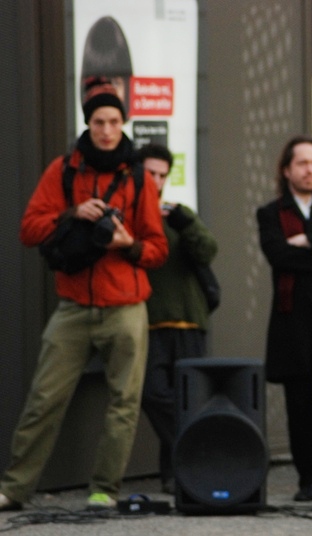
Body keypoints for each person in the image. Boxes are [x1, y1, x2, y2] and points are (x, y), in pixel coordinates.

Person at [0, 77, 167, 512]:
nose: (106, 130)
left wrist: (126, 244)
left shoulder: (139, 177)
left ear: (123, 122)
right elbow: (28, 229)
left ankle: (104, 490)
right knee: (44, 398)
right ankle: (14, 489)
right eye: (98, 122)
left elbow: (157, 249)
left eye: (113, 121)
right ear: (88, 124)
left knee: (123, 404)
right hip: (74, 306)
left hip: (126, 307)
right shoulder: (65, 170)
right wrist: (72, 213)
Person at [137, 143, 218, 495]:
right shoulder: (130, 216)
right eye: (149, 174)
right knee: (153, 394)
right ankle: (196, 454)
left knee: (188, 398)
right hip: (147, 322)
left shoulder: (178, 213)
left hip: (188, 320)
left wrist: (186, 226)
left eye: (162, 175)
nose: (156, 181)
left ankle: (175, 477)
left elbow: (208, 250)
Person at [256, 135, 312, 502]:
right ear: (287, 169)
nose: (309, 170)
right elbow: (278, 256)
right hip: (292, 321)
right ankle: (310, 480)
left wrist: (307, 241)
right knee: (299, 406)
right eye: (302, 163)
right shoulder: (270, 213)